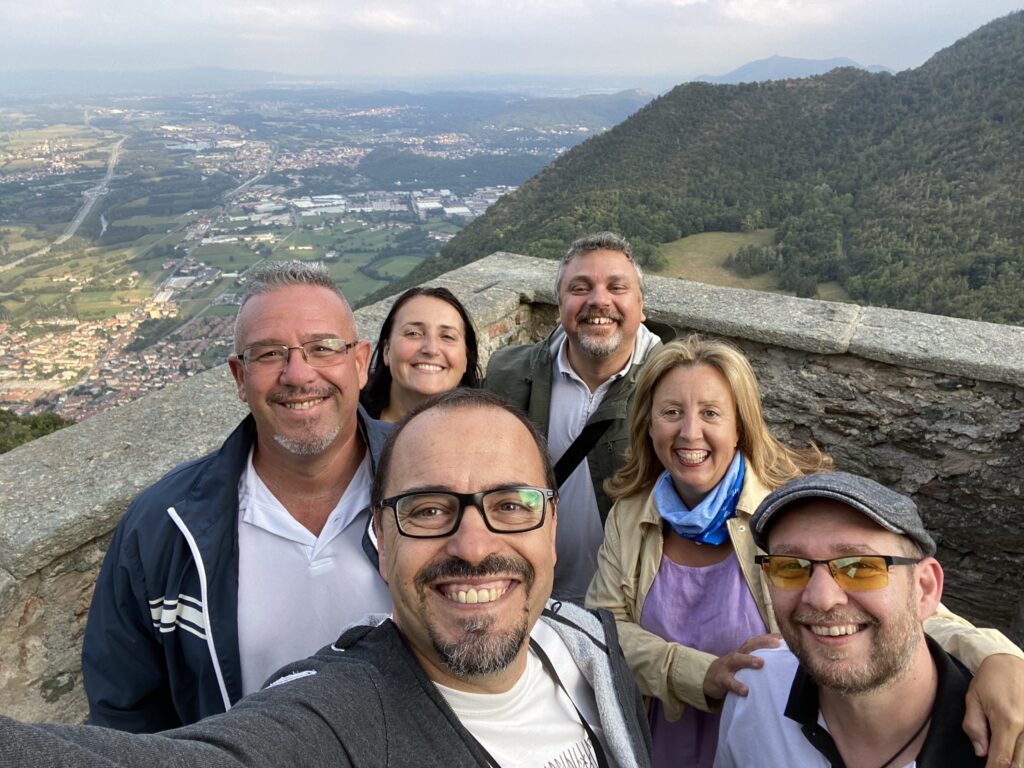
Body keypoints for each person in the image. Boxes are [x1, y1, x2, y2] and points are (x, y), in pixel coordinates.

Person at [0, 389, 653, 768]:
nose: (474, 545)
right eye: (429, 510)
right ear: (381, 534)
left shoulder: (587, 642)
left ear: (551, 521)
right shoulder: (340, 715)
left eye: (510, 504)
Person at [586, 336, 1024, 768]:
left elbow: (907, 607)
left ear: (740, 426)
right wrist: (699, 674)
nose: (689, 432)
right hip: (659, 733)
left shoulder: (790, 517)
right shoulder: (630, 515)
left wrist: (996, 657)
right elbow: (604, 628)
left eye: (711, 413)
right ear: (648, 423)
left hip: (778, 737)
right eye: (671, 412)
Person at [81, 261, 394, 733]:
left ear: (360, 362)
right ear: (239, 377)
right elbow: (126, 719)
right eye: (268, 354)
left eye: (322, 348)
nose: (297, 373)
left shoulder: (435, 481)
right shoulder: (162, 528)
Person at [716, 472, 1024, 768]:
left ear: (925, 589)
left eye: (860, 567)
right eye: (790, 567)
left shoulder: (1007, 735)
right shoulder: (754, 691)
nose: (822, 598)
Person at [486, 231, 673, 603]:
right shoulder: (507, 377)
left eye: (616, 287)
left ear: (641, 306)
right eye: (580, 288)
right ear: (560, 305)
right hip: (529, 595)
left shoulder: (673, 386)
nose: (599, 300)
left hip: (629, 603)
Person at [361, 286, 480, 422]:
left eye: (447, 337)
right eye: (413, 333)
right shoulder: (349, 428)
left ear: (466, 359)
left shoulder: (490, 437)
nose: (431, 349)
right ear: (386, 351)